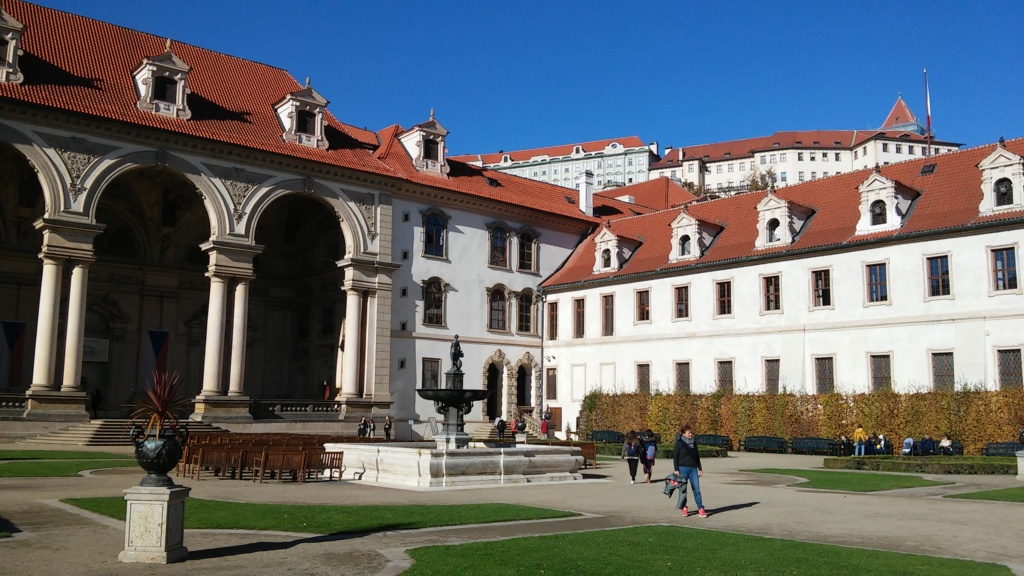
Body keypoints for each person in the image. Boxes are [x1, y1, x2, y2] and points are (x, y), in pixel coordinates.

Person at [672, 424, 706, 518]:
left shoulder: (693, 443)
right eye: (688, 433)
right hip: (682, 468)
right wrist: (676, 470)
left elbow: (697, 456)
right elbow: (675, 457)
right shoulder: (679, 443)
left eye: (691, 432)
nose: (690, 434)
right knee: (683, 490)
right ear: (683, 434)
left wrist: (700, 468)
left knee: (697, 489)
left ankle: (700, 508)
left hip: (693, 468)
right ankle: (684, 507)